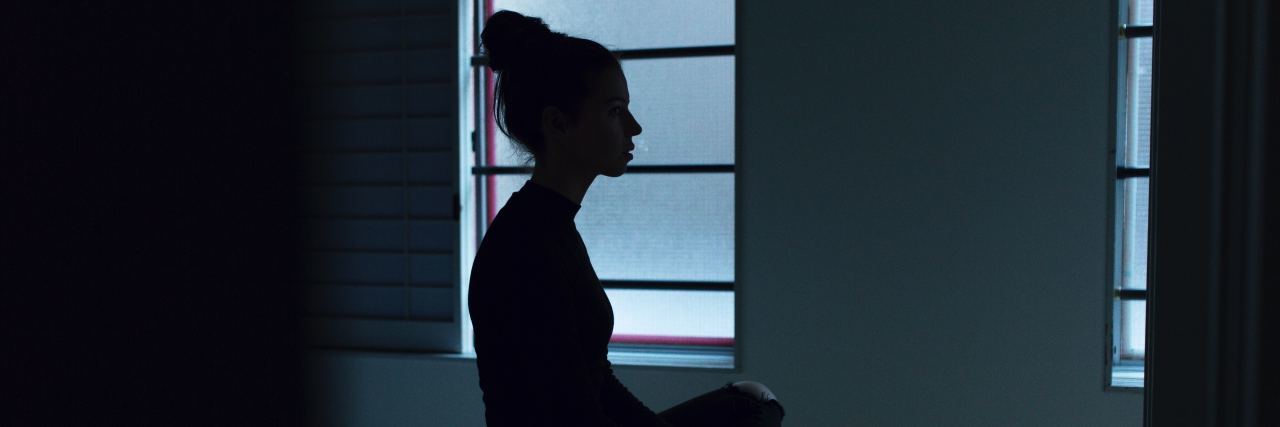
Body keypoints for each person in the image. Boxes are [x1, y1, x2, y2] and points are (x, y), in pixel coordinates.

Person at [467, 9, 786, 427]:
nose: (634, 127)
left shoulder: (549, 227)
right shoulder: (526, 249)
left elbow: (597, 380)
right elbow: (574, 411)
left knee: (750, 404)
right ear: (558, 124)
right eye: (615, 111)